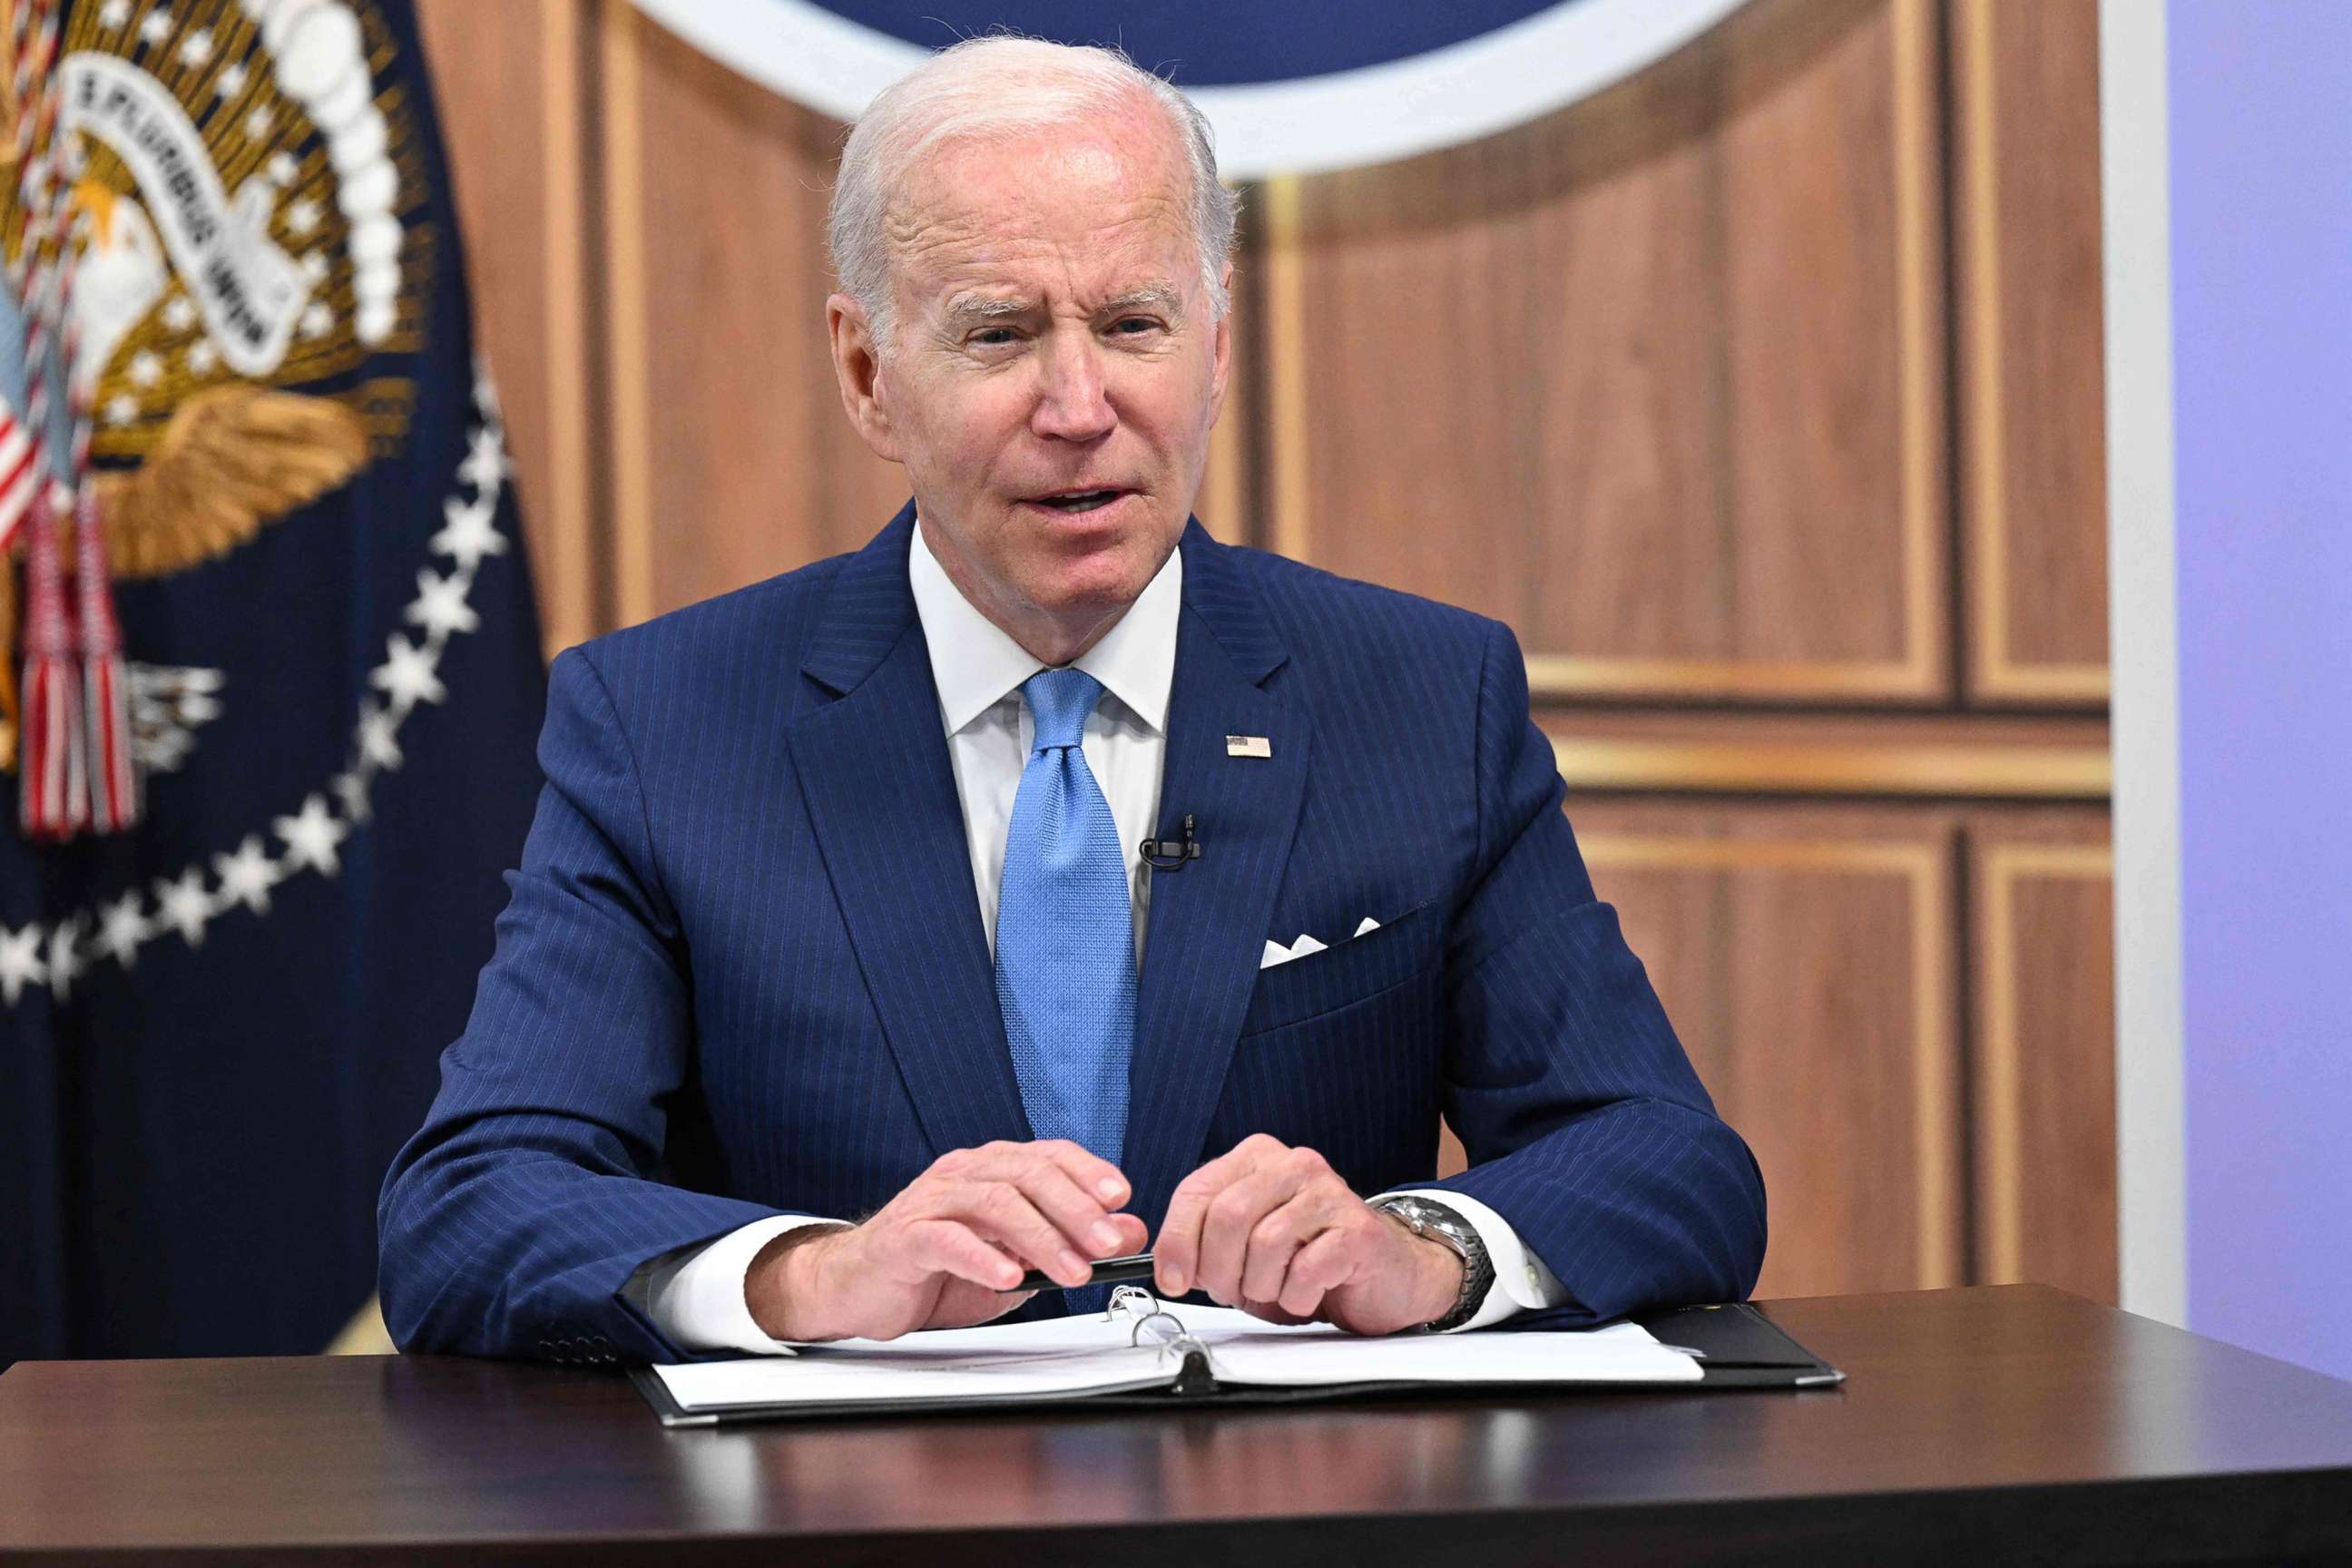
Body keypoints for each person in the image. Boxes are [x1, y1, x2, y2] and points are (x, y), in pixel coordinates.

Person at [376, 37, 1765, 1364]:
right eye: (998, 334)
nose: (1079, 403)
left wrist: (1426, 1251)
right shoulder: (665, 725)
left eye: (1133, 323)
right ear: (869, 375)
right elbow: (470, 1207)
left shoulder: (1423, 700)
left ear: (1215, 345)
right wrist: (816, 1274)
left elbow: (1669, 1166)